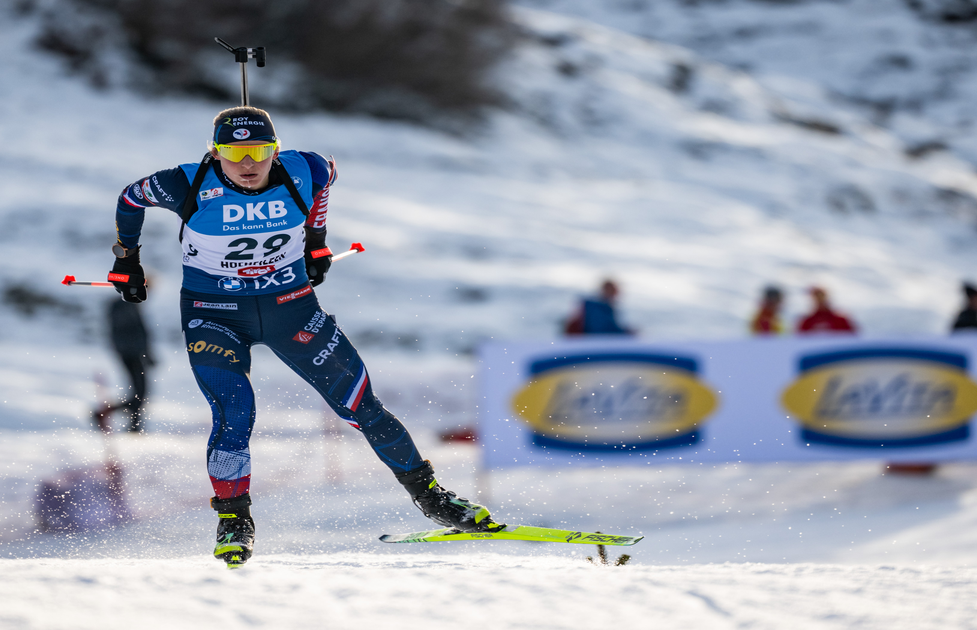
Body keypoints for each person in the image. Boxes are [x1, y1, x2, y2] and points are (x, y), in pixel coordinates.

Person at [106, 106, 501, 567]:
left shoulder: (305, 168)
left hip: (291, 309)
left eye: (261, 151)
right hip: (215, 314)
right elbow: (131, 199)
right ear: (215, 153)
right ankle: (234, 521)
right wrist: (126, 259)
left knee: (361, 406)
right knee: (235, 413)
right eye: (235, 153)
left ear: (276, 149)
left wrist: (316, 240)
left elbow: (326, 180)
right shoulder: (185, 182)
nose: (249, 163)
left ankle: (432, 498)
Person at [99, 296, 155, 433]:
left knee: (140, 391)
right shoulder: (123, 304)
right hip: (130, 353)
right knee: (139, 391)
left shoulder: (130, 304)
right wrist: (142, 352)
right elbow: (131, 330)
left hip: (133, 353)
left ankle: (130, 421)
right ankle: (109, 414)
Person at [564, 279, 634, 335]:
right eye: (614, 292)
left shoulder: (599, 307)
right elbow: (601, 329)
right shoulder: (597, 308)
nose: (615, 296)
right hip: (590, 344)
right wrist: (626, 333)